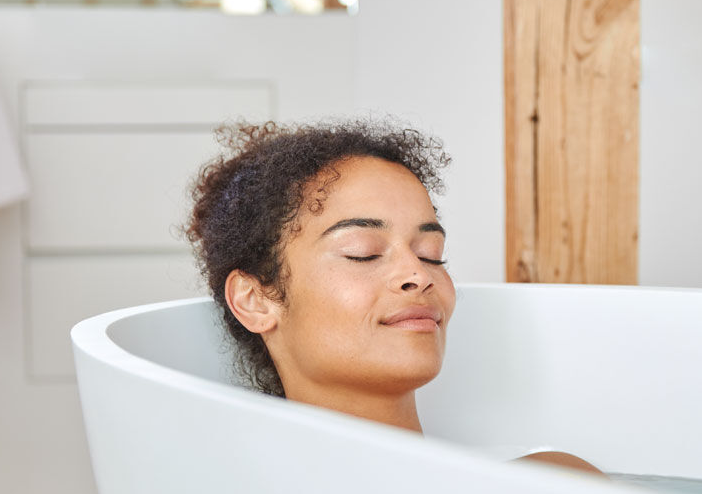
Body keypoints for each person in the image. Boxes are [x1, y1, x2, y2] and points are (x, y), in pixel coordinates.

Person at [185, 119, 600, 474]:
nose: (418, 275)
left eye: (430, 254)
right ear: (255, 300)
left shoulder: (550, 484)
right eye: (362, 252)